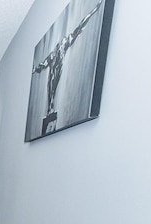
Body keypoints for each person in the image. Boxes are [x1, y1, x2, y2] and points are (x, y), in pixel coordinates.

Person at [32, 0, 103, 132]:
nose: (61, 43)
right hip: (54, 73)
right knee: (51, 90)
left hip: (56, 73)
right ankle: (50, 112)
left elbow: (81, 25)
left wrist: (94, 10)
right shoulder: (56, 51)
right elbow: (44, 64)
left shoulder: (61, 47)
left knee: (51, 89)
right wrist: (36, 69)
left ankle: (50, 112)